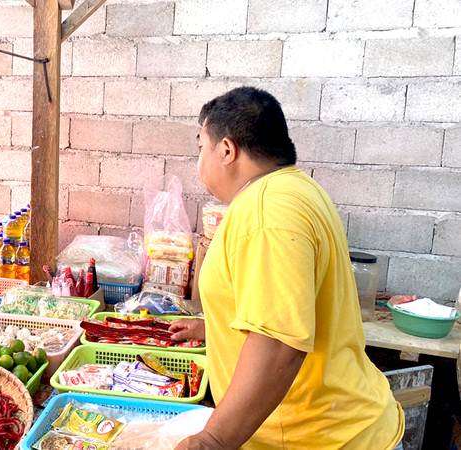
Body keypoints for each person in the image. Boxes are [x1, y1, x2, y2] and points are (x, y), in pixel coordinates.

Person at [169, 87, 404, 450]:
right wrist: (214, 326)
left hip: (320, 437)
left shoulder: (267, 212)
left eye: (201, 147)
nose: (198, 160)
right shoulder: (296, 190)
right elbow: (288, 305)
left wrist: (214, 439)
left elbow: (279, 344)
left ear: (227, 150)